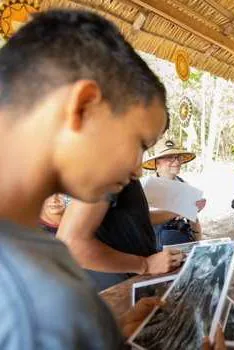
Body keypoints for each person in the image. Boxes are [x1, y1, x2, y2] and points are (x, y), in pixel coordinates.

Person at [0, 9, 171, 349]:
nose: (138, 168)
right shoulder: (35, 303)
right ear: (84, 106)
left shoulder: (33, 251)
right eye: (140, 143)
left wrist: (109, 333)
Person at [57, 177, 184, 291]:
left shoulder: (122, 173)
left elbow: (137, 218)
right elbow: (71, 245)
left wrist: (177, 211)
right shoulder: (106, 167)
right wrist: (145, 265)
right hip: (120, 283)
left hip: (136, 278)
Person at [142, 138, 207, 249]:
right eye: (170, 158)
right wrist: (182, 209)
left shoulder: (184, 185)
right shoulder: (145, 186)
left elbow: (193, 219)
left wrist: (198, 243)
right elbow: (142, 220)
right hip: (154, 248)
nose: (176, 162)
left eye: (178, 157)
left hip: (182, 243)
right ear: (157, 162)